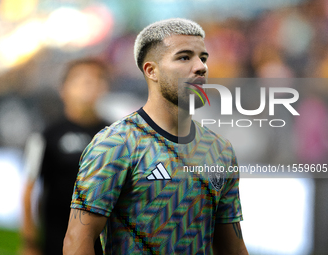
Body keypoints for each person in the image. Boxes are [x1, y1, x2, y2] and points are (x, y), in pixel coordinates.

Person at [63, 18, 248, 255]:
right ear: (152, 71)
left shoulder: (219, 149)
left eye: (203, 58)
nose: (201, 67)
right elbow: (77, 240)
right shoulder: (117, 143)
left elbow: (232, 246)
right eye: (184, 57)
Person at [22, 58, 110, 255]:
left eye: (96, 80)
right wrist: (29, 241)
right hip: (57, 239)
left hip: (102, 241)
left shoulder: (114, 135)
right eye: (82, 80)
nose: (89, 86)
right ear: (64, 89)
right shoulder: (46, 135)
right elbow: (29, 189)